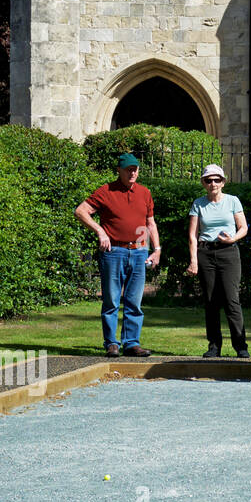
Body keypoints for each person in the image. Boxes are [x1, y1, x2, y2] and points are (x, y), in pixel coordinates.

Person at [74, 153, 159, 357]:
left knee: (134, 301)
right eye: (129, 169)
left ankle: (131, 343)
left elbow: (150, 223)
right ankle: (112, 343)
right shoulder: (106, 191)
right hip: (114, 252)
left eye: (135, 169)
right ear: (119, 171)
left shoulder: (144, 193)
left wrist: (157, 249)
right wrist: (100, 231)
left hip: (139, 251)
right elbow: (81, 211)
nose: (133, 173)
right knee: (111, 300)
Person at [185, 164, 249, 358]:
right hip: (205, 253)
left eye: (216, 180)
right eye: (208, 180)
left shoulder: (233, 201)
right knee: (211, 301)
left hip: (228, 252)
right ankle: (214, 346)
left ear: (223, 182)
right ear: (203, 183)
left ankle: (241, 346)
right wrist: (194, 261)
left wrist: (233, 239)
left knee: (232, 300)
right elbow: (192, 235)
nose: (213, 183)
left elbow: (243, 227)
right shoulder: (198, 203)